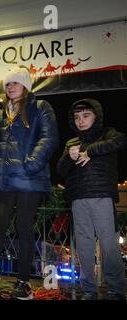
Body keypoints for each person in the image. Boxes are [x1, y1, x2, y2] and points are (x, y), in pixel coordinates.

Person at [0, 66, 58, 300]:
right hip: (3, 181)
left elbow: (49, 138)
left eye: (15, 83)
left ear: (25, 86)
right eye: (7, 84)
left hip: (29, 180)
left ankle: (23, 282)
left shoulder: (40, 107)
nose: (10, 87)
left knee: (24, 228)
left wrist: (30, 165)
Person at [57, 98, 126, 300]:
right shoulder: (71, 142)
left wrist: (91, 151)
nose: (80, 120)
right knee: (84, 246)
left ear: (97, 116)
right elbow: (60, 170)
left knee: (109, 244)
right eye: (77, 117)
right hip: (78, 198)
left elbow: (122, 140)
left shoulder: (108, 134)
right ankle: (88, 289)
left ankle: (116, 289)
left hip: (102, 196)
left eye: (86, 115)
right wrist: (68, 157)